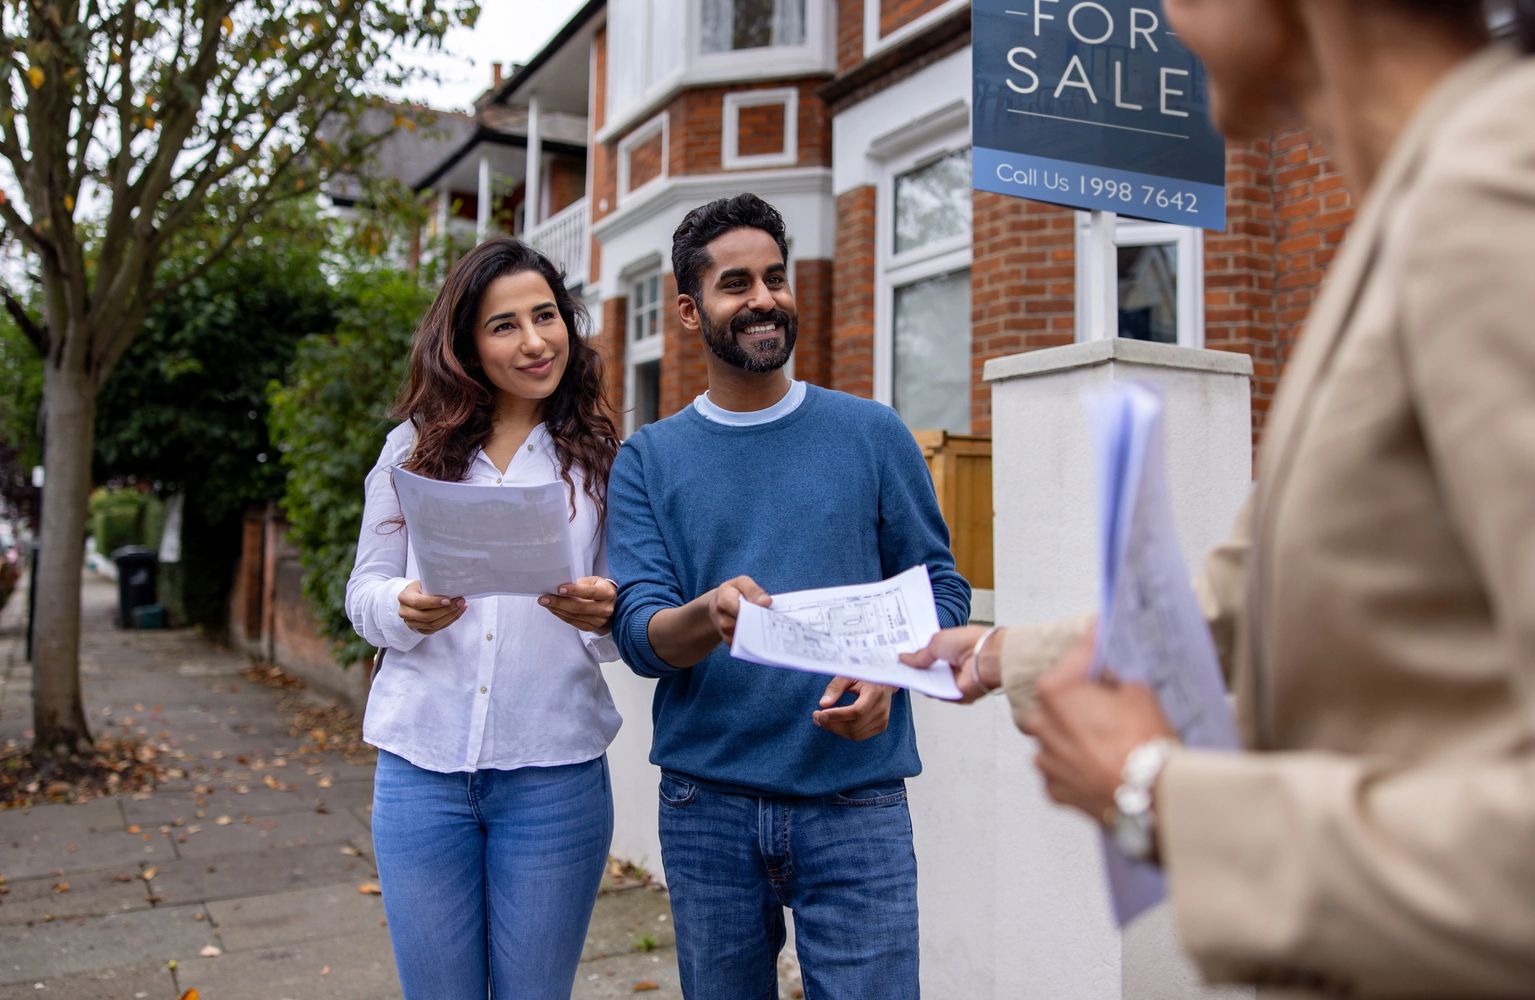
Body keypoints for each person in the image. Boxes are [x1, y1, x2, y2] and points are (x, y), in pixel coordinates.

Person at [906, 1, 1535, 994]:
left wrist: (1160, 797)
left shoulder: (1494, 196)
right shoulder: (1407, 223)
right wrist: (992, 652)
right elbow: (1232, 603)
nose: (1160, 17)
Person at [605, 193, 970, 998]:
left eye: (776, 277)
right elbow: (638, 637)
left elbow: (941, 585)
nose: (764, 297)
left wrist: (893, 674)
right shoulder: (648, 460)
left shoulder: (871, 434)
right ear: (689, 311)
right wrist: (707, 614)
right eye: (736, 283)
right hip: (708, 805)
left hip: (856, 797)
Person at [345, 238, 623, 999]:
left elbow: (617, 626)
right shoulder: (413, 447)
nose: (535, 341)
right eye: (505, 325)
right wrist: (401, 609)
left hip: (554, 775)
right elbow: (362, 594)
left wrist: (601, 614)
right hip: (420, 768)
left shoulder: (600, 461)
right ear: (466, 341)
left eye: (547, 316)